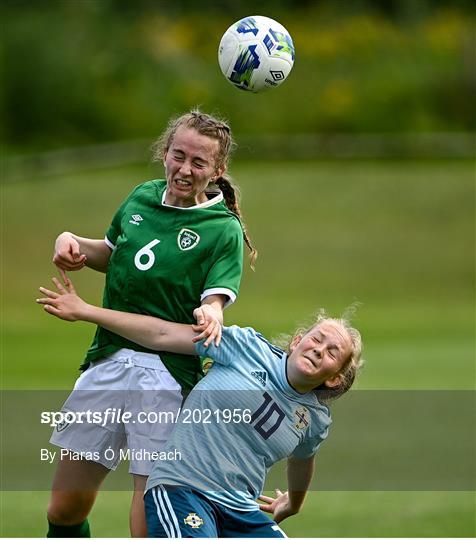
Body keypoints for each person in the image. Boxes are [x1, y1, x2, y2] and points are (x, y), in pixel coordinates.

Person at [45, 110, 257, 538]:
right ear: (165, 152)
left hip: (167, 382)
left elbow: (215, 299)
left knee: (146, 526)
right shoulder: (141, 196)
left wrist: (212, 311)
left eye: (199, 163)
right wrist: (71, 242)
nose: (184, 169)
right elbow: (112, 252)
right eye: (178, 156)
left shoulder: (222, 229)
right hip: (107, 362)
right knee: (64, 509)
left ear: (217, 170)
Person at [37, 275, 363, 538]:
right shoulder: (244, 347)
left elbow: (303, 460)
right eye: (317, 339)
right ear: (297, 341)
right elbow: (163, 335)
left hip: (239, 507)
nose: (320, 350)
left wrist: (293, 503)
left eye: (333, 352)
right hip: (183, 488)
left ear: (334, 378)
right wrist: (86, 311)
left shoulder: (315, 418)